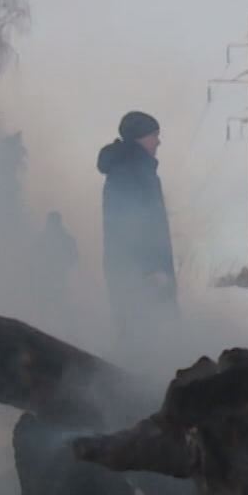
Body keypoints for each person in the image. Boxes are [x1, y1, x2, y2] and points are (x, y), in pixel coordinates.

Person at [97, 111, 177, 346]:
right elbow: (131, 226)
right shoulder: (130, 171)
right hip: (142, 274)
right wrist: (152, 269)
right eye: (154, 135)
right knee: (144, 336)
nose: (158, 142)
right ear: (140, 137)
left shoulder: (133, 168)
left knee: (138, 335)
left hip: (134, 271)